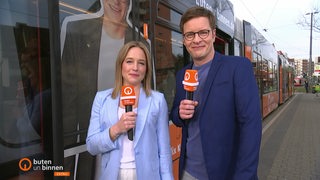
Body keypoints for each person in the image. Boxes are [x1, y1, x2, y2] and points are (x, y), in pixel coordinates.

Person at [169, 7, 262, 180]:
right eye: (190, 35)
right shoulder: (182, 74)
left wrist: (244, 176)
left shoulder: (238, 67)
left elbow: (251, 127)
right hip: (188, 172)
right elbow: (175, 115)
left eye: (203, 33)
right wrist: (180, 113)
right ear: (184, 40)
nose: (196, 40)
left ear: (213, 34)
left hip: (227, 173)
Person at [86, 41, 174, 180]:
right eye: (129, 61)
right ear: (120, 65)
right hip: (112, 175)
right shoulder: (101, 99)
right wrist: (116, 129)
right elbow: (91, 145)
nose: (135, 68)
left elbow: (164, 150)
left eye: (141, 63)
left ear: (146, 69)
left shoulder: (157, 100)